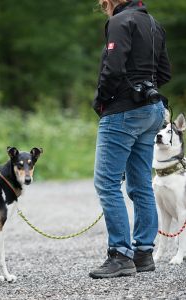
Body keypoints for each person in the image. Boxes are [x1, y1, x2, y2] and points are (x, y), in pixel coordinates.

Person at [90, 0, 171, 279]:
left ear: (110, 2)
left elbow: (112, 69)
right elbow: (164, 73)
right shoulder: (154, 24)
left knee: (107, 182)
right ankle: (144, 253)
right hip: (152, 110)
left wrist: (101, 101)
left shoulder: (119, 22)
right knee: (139, 183)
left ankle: (120, 255)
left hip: (123, 111)